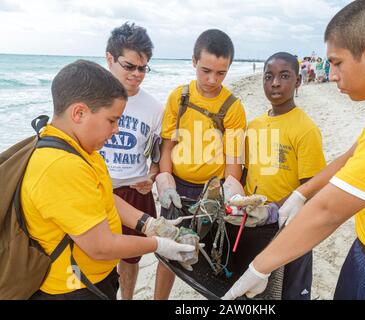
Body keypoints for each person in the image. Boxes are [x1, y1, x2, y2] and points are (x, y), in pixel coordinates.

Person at [223, 0, 365, 300]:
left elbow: (329, 211)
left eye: (337, 62)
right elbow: (353, 155)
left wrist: (259, 268)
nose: (331, 74)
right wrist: (301, 194)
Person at [21, 60, 195, 300]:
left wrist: (148, 224)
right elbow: (101, 246)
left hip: (94, 279)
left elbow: (104, 195)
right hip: (73, 289)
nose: (116, 130)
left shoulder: (81, 151)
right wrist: (158, 244)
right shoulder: (61, 166)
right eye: (112, 120)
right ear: (79, 113)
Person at [154, 29, 247, 299]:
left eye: (221, 73)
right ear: (194, 61)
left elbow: (234, 159)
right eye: (206, 70)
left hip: (212, 192)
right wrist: (165, 178)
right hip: (176, 189)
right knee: (167, 253)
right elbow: (167, 145)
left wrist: (230, 190)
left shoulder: (233, 106)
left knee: (213, 257)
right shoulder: (178, 97)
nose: (212, 80)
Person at [234, 52, 326, 299]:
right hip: (253, 226)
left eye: (284, 76)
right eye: (269, 76)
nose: (275, 83)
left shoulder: (305, 129)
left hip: (290, 228)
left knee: (290, 290)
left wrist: (275, 209)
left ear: (298, 81)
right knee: (255, 289)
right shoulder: (254, 126)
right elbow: (246, 174)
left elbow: (313, 187)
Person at [99, 22, 164, 299]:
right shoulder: (92, 97)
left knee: (131, 258)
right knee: (90, 255)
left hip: (134, 192)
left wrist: (152, 176)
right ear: (110, 58)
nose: (137, 74)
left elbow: (158, 152)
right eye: (129, 66)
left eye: (143, 68)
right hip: (95, 189)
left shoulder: (154, 107)